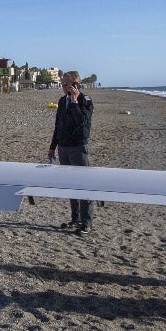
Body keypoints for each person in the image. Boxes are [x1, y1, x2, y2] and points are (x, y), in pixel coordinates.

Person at [47, 71, 94, 234]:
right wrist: (53, 147)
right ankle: (75, 219)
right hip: (64, 147)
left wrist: (74, 102)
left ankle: (86, 221)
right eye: (62, 84)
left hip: (78, 147)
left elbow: (82, 122)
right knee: (71, 185)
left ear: (75, 85)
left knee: (84, 184)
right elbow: (58, 125)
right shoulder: (62, 101)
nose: (63, 86)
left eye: (66, 84)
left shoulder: (85, 100)